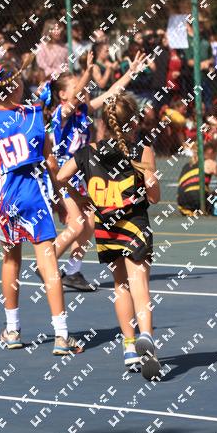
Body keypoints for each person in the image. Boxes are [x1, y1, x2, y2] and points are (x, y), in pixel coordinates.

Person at [0, 58, 87, 355]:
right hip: (34, 192)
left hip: (5, 195)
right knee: (48, 263)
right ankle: (61, 335)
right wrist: (59, 200)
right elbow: (51, 162)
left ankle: (12, 330)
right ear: (16, 86)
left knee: (11, 261)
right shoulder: (34, 115)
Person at [57, 91, 162, 379]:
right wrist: (149, 177)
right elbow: (154, 197)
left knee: (120, 285)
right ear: (134, 123)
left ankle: (129, 347)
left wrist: (79, 197)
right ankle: (147, 337)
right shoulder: (142, 151)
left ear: (103, 122)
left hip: (107, 228)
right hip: (134, 225)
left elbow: (61, 176)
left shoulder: (88, 151)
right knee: (139, 283)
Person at [47, 49, 149, 291]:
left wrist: (130, 72)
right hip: (63, 175)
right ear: (62, 94)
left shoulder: (84, 110)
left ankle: (72, 271)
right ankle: (46, 264)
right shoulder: (60, 114)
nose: (84, 89)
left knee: (90, 225)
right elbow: (74, 99)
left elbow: (111, 93)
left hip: (81, 174)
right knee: (77, 225)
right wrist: (87, 72)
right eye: (77, 87)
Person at [177, 140, 217, 215]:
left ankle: (195, 211)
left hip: (182, 204)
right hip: (199, 201)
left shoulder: (186, 166)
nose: (216, 156)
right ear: (210, 151)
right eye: (216, 153)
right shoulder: (210, 163)